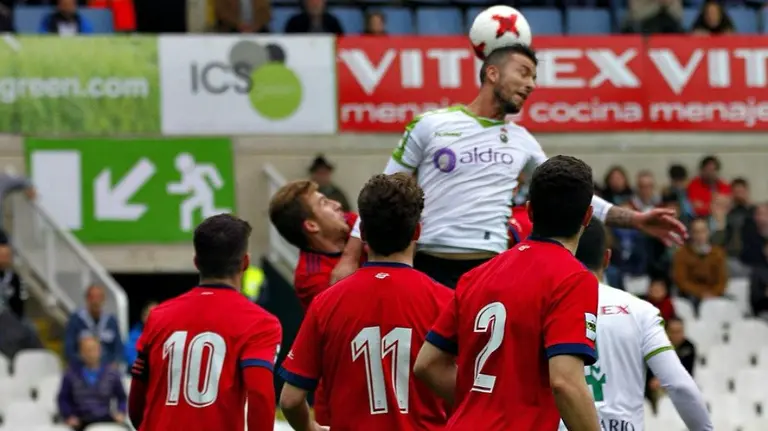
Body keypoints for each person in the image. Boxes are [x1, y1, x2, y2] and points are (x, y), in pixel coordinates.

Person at [332, 44, 687, 288]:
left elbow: (571, 196)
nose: (532, 84)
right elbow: (382, 192)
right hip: (428, 265)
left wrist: (636, 219)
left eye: (534, 77)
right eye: (524, 72)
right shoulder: (430, 125)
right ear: (491, 73)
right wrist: (350, 257)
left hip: (491, 268)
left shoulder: (522, 140)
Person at [414, 155, 600, 431]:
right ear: (587, 216)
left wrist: (480, 407)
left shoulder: (477, 275)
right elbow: (565, 382)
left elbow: (427, 365)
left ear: (530, 211)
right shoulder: (573, 278)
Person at [279, 173, 452, 431]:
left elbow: (291, 399)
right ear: (417, 230)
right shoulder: (446, 301)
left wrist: (311, 428)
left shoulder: (326, 302)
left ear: (363, 235)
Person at [127, 214, 282, 431]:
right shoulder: (261, 323)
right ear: (245, 262)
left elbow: (136, 404)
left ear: (196, 262)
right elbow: (260, 397)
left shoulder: (158, 316)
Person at [557, 219, 711, 431]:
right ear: (607, 257)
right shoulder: (640, 311)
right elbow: (680, 385)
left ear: (566, 256)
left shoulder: (547, 310)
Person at [268, 180, 360, 425]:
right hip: (343, 394)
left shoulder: (347, 226)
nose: (337, 204)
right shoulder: (311, 278)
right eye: (324, 203)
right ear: (311, 225)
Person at [58, 336, 127, 431]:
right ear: (81, 352)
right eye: (87, 350)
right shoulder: (71, 374)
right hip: (80, 421)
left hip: (105, 418)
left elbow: (122, 397)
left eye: (94, 349)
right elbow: (63, 398)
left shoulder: (112, 373)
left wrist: (121, 412)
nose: (90, 354)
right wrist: (68, 416)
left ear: (100, 350)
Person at [64, 284, 124, 367]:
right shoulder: (76, 320)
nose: (95, 301)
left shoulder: (111, 321)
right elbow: (69, 349)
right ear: (87, 299)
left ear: (104, 299)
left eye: (99, 297)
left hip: (107, 369)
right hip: (82, 368)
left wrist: (114, 364)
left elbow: (119, 349)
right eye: (92, 297)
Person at [124, 301, 157, 368]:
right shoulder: (134, 334)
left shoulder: (164, 334)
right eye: (152, 314)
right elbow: (131, 358)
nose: (156, 318)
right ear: (143, 316)